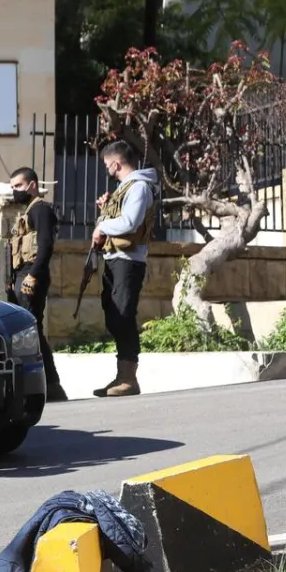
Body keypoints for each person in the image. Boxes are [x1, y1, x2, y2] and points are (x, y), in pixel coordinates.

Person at [92, 142, 158, 398]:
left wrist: (103, 226)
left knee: (123, 316)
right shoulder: (125, 188)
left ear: (116, 164)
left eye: (107, 165)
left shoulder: (139, 187)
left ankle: (128, 379)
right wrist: (105, 212)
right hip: (115, 258)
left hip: (128, 261)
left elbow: (131, 222)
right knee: (114, 315)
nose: (107, 170)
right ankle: (121, 376)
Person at [5, 170, 67, 404]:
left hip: (31, 275)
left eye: (19, 185)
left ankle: (50, 385)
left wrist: (33, 275)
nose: (15, 191)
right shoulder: (29, 211)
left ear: (32, 184)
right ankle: (48, 385)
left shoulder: (41, 209)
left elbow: (45, 246)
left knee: (30, 331)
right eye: (13, 186)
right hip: (23, 274)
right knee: (29, 331)